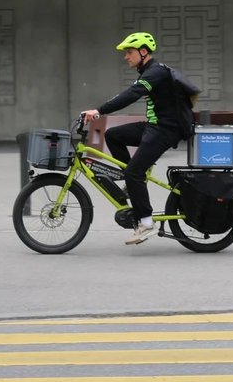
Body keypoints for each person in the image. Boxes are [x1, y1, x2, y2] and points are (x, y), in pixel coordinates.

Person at [80, 32, 187, 245]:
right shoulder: (148, 71)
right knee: (113, 135)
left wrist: (98, 111)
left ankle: (146, 223)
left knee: (134, 173)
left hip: (165, 130)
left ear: (143, 51)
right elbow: (128, 93)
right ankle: (134, 181)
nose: (126, 57)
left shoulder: (155, 72)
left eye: (129, 52)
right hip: (153, 126)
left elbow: (131, 94)